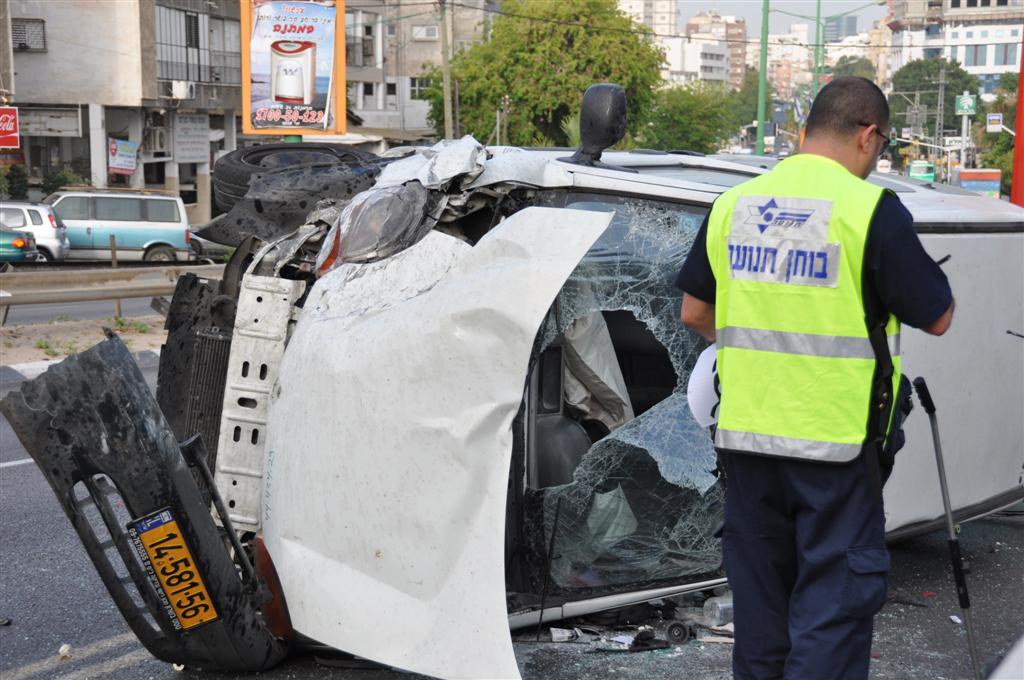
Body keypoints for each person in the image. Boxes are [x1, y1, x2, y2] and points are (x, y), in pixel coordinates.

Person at [676, 76, 953, 680]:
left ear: (803, 133)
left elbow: (695, 313)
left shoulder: (734, 205)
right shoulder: (870, 210)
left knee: (760, 618)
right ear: (869, 137)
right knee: (830, 614)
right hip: (837, 450)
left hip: (747, 446)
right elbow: (938, 316)